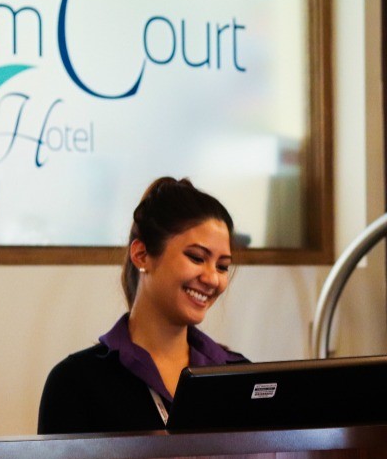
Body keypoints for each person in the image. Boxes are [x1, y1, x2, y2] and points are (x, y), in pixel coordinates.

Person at [38, 177, 247, 434]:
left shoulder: (240, 379)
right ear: (141, 255)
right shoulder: (75, 382)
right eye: (196, 257)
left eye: (222, 266)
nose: (212, 278)